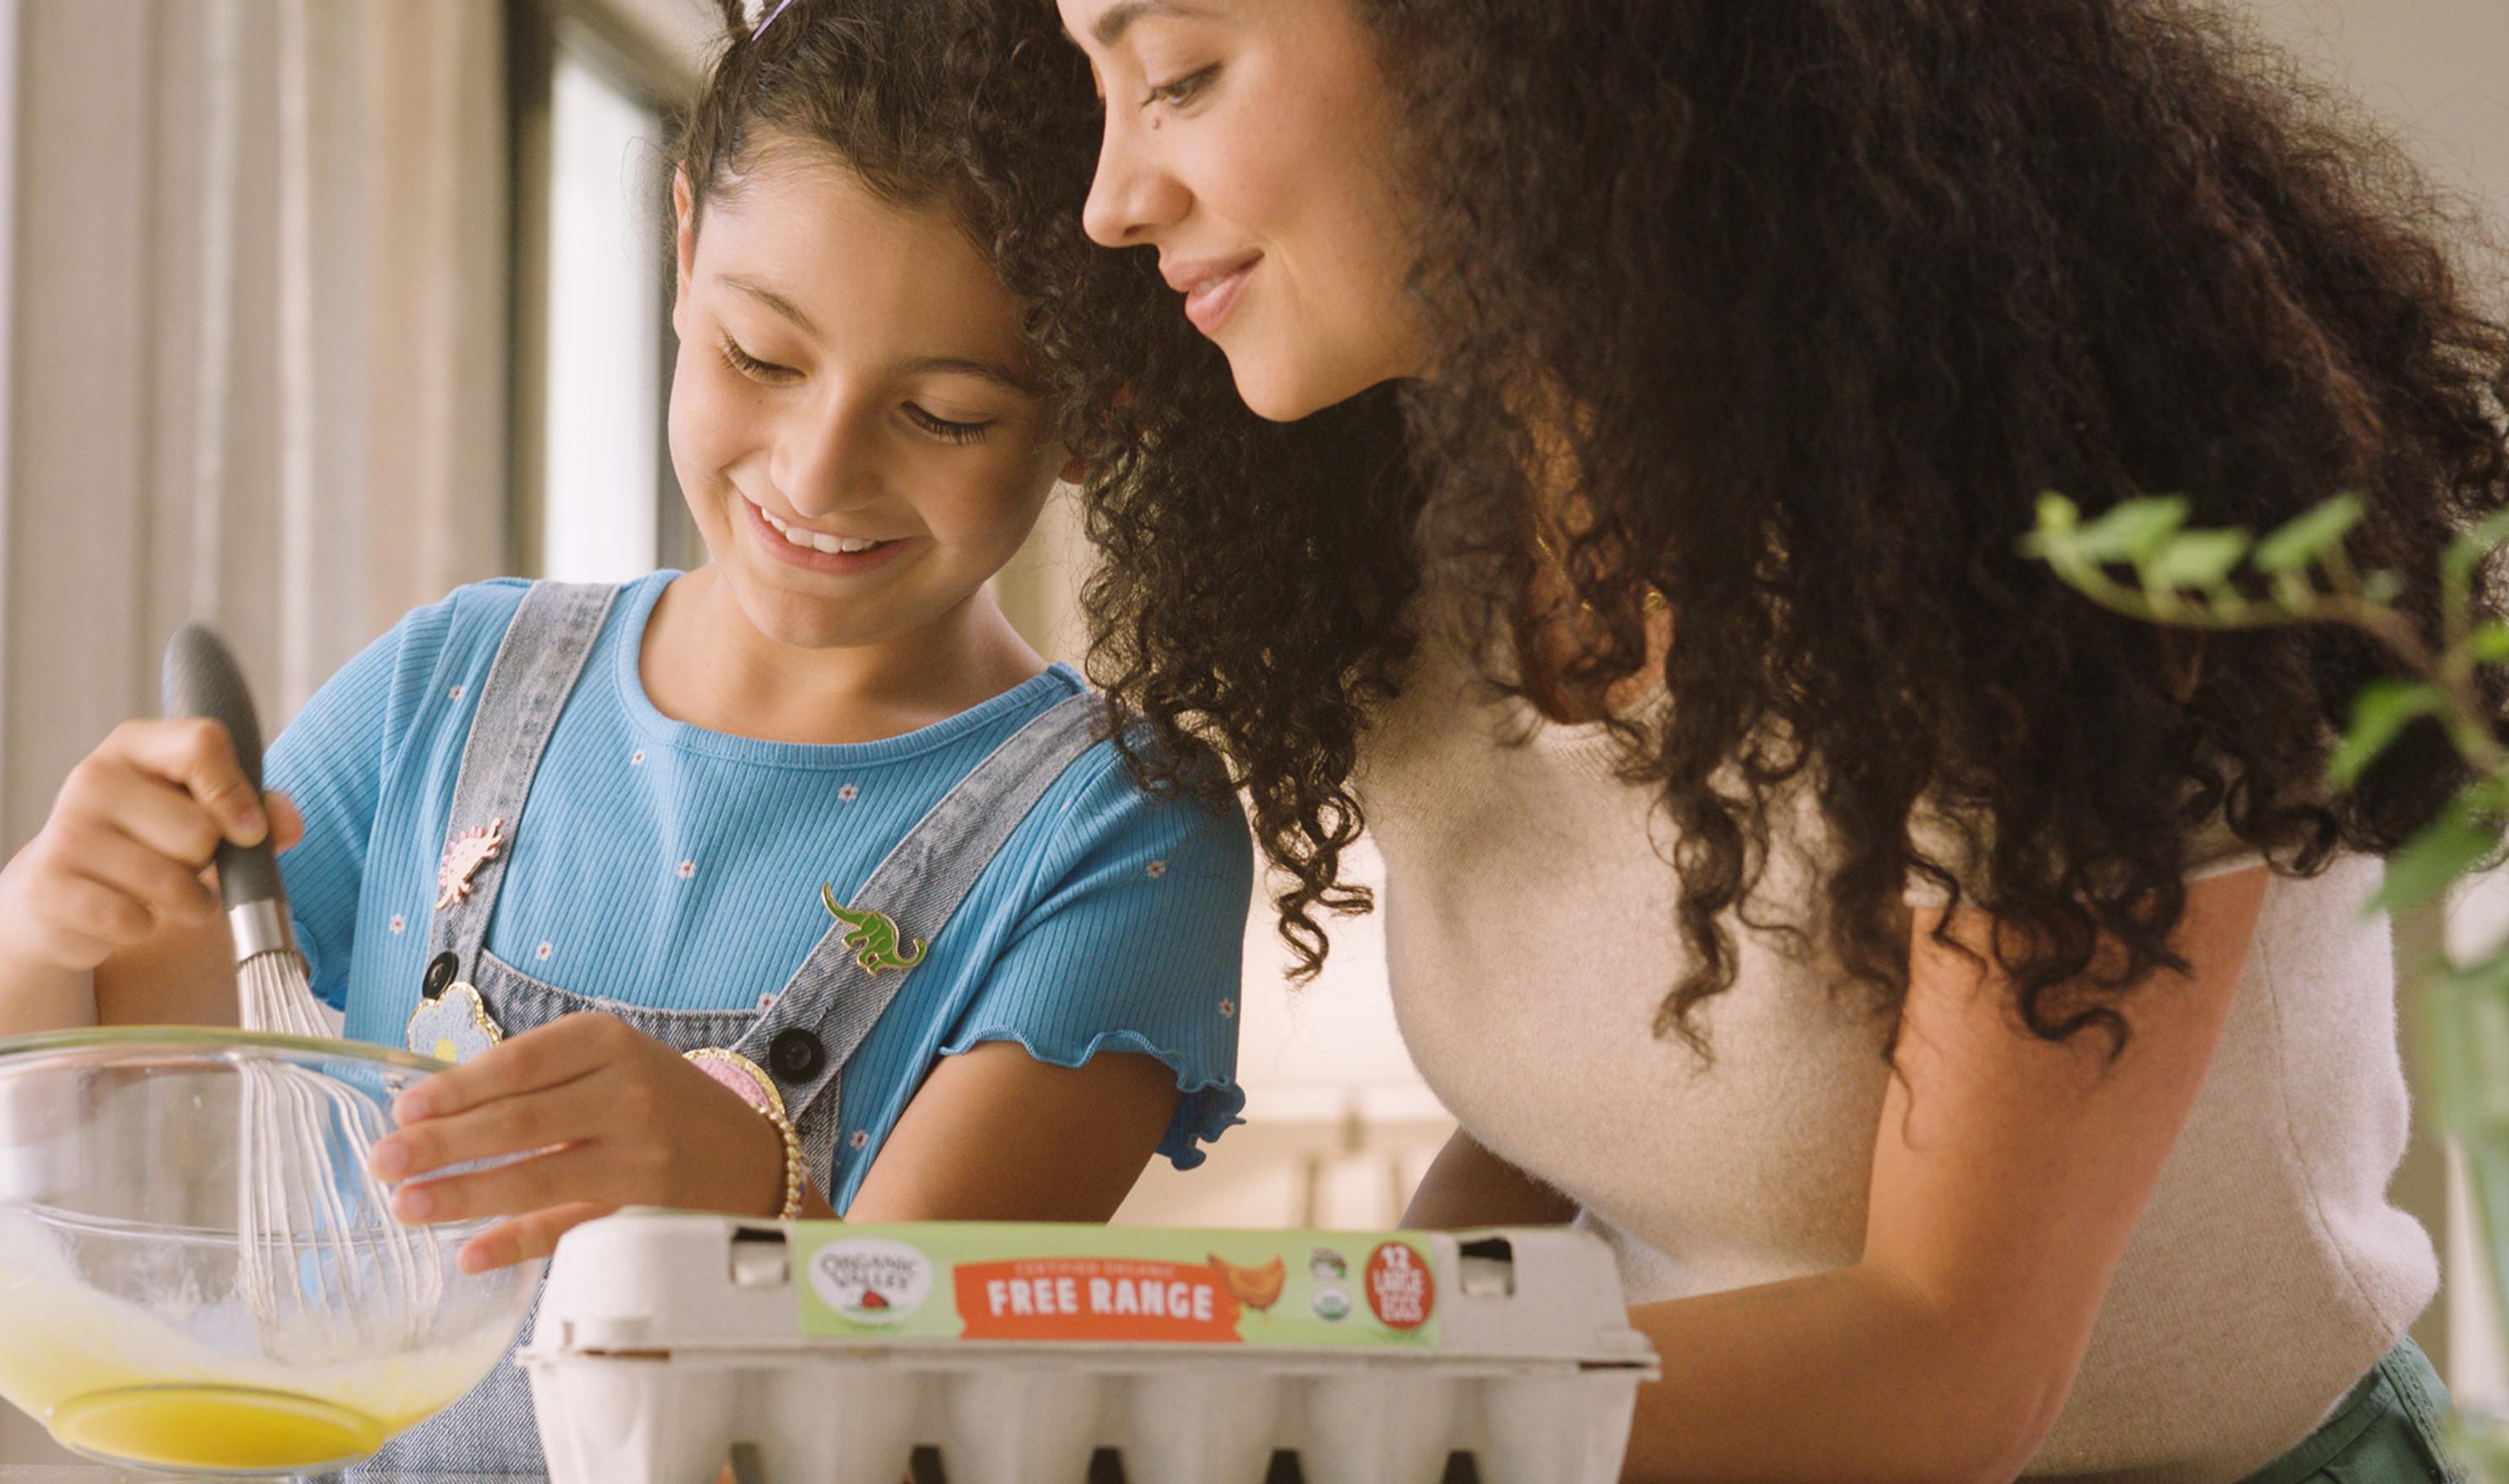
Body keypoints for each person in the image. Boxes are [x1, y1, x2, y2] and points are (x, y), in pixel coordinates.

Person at [1037, 2, 2504, 1480]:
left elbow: (1953, 1364)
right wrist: (1316, 1358)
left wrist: (1262, 1425)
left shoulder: (2034, 565)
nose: (1110, 199)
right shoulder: (1409, 534)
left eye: (1177, 76)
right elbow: (1591, 1128)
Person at [0, 0, 1251, 1468]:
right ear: (683, 248)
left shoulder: (1117, 841)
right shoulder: (455, 685)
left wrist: (755, 1181)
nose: (818, 469)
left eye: (940, 417)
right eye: (762, 356)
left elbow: (909, 1400)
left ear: (1096, 413)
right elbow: (25, 1121)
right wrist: (52, 905)